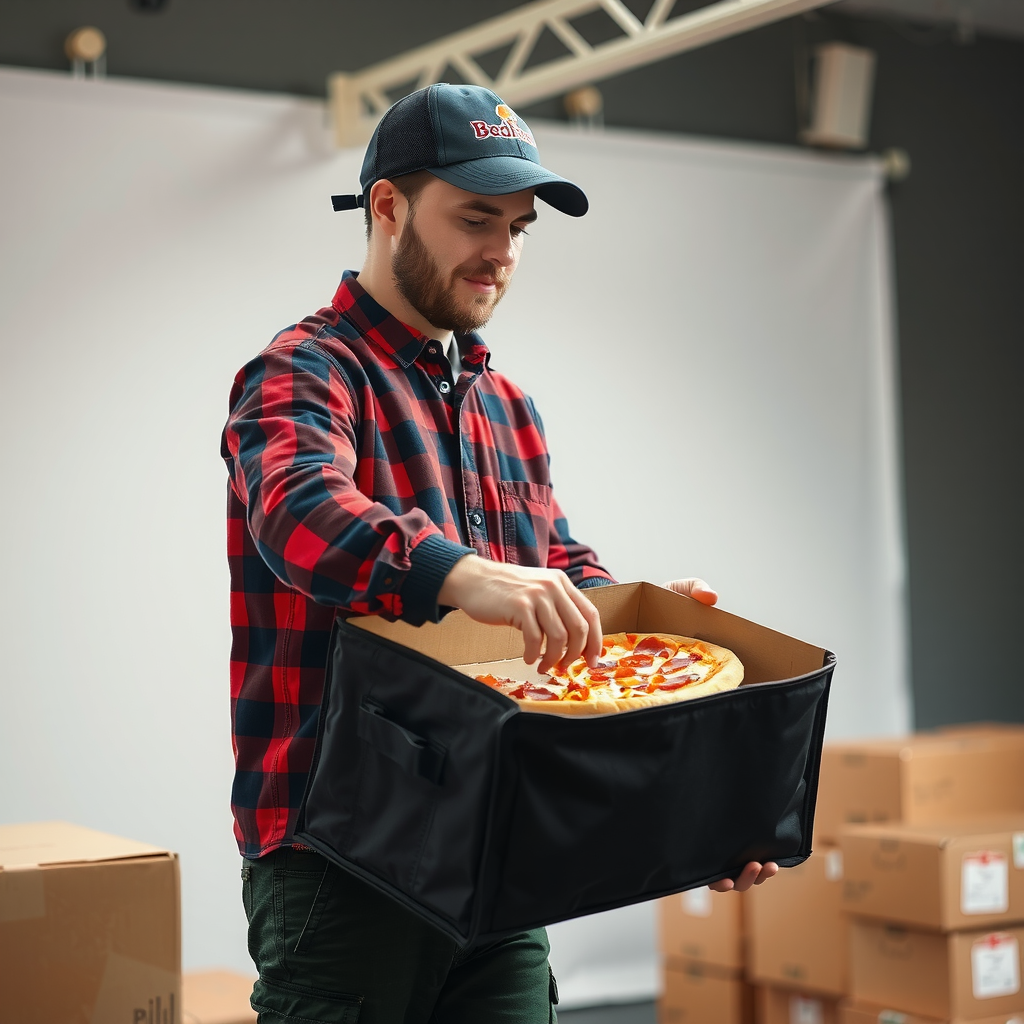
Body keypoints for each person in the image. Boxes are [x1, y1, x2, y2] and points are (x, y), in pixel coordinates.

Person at [222, 83, 776, 1024]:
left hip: (499, 855)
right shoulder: (303, 369)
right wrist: (461, 575)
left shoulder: (507, 403)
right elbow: (299, 512)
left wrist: (639, 615)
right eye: (476, 217)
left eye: (520, 227)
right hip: (344, 862)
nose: (502, 252)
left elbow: (553, 561)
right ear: (387, 206)